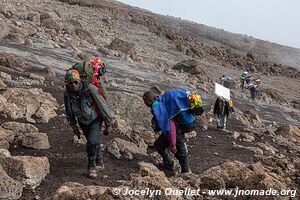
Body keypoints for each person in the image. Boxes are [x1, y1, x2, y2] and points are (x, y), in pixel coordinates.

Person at [64, 69, 113, 179]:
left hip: (95, 119)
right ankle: (99, 162)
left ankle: (92, 167)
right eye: (70, 83)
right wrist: (73, 126)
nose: (73, 85)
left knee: (91, 142)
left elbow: (102, 105)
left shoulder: (90, 89)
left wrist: (108, 123)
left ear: (80, 81)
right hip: (82, 121)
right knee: (93, 142)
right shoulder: (67, 94)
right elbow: (69, 111)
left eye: (75, 82)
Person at [143, 88, 201, 174]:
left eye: (145, 101)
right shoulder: (160, 100)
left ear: (149, 101)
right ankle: (169, 163)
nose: (144, 103)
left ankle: (186, 171)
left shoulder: (158, 108)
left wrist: (172, 144)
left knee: (178, 148)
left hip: (180, 127)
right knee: (159, 144)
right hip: (187, 121)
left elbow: (170, 128)